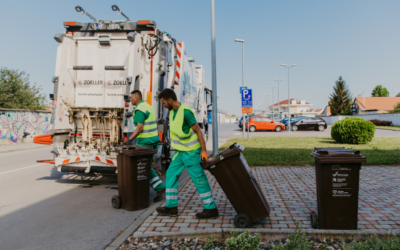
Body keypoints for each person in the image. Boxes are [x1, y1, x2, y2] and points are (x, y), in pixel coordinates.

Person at [156, 88, 218, 219]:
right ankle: (171, 206)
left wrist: (204, 151)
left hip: (190, 152)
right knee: (171, 174)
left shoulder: (186, 112)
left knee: (198, 179)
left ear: (170, 100)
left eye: (163, 102)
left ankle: (211, 208)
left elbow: (199, 132)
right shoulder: (172, 111)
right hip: (180, 152)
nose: (163, 105)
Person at [126, 90, 166, 202]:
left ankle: (160, 187)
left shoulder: (139, 109)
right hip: (153, 140)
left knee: (144, 166)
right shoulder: (147, 106)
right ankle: (157, 186)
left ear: (136, 98)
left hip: (145, 141)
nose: (130, 100)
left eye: (131, 97)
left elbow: (139, 128)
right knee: (147, 165)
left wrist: (129, 140)